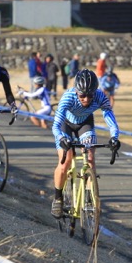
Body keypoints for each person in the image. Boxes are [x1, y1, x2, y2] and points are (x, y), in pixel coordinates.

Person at [50, 69, 120, 218]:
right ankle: (58, 198)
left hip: (85, 124)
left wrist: (114, 138)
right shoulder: (68, 97)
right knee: (66, 161)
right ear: (76, 91)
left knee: (90, 159)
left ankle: (88, 196)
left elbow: (110, 118)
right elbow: (56, 126)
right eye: (82, 95)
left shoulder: (100, 96)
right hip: (65, 126)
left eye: (90, 95)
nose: (87, 99)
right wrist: (62, 139)